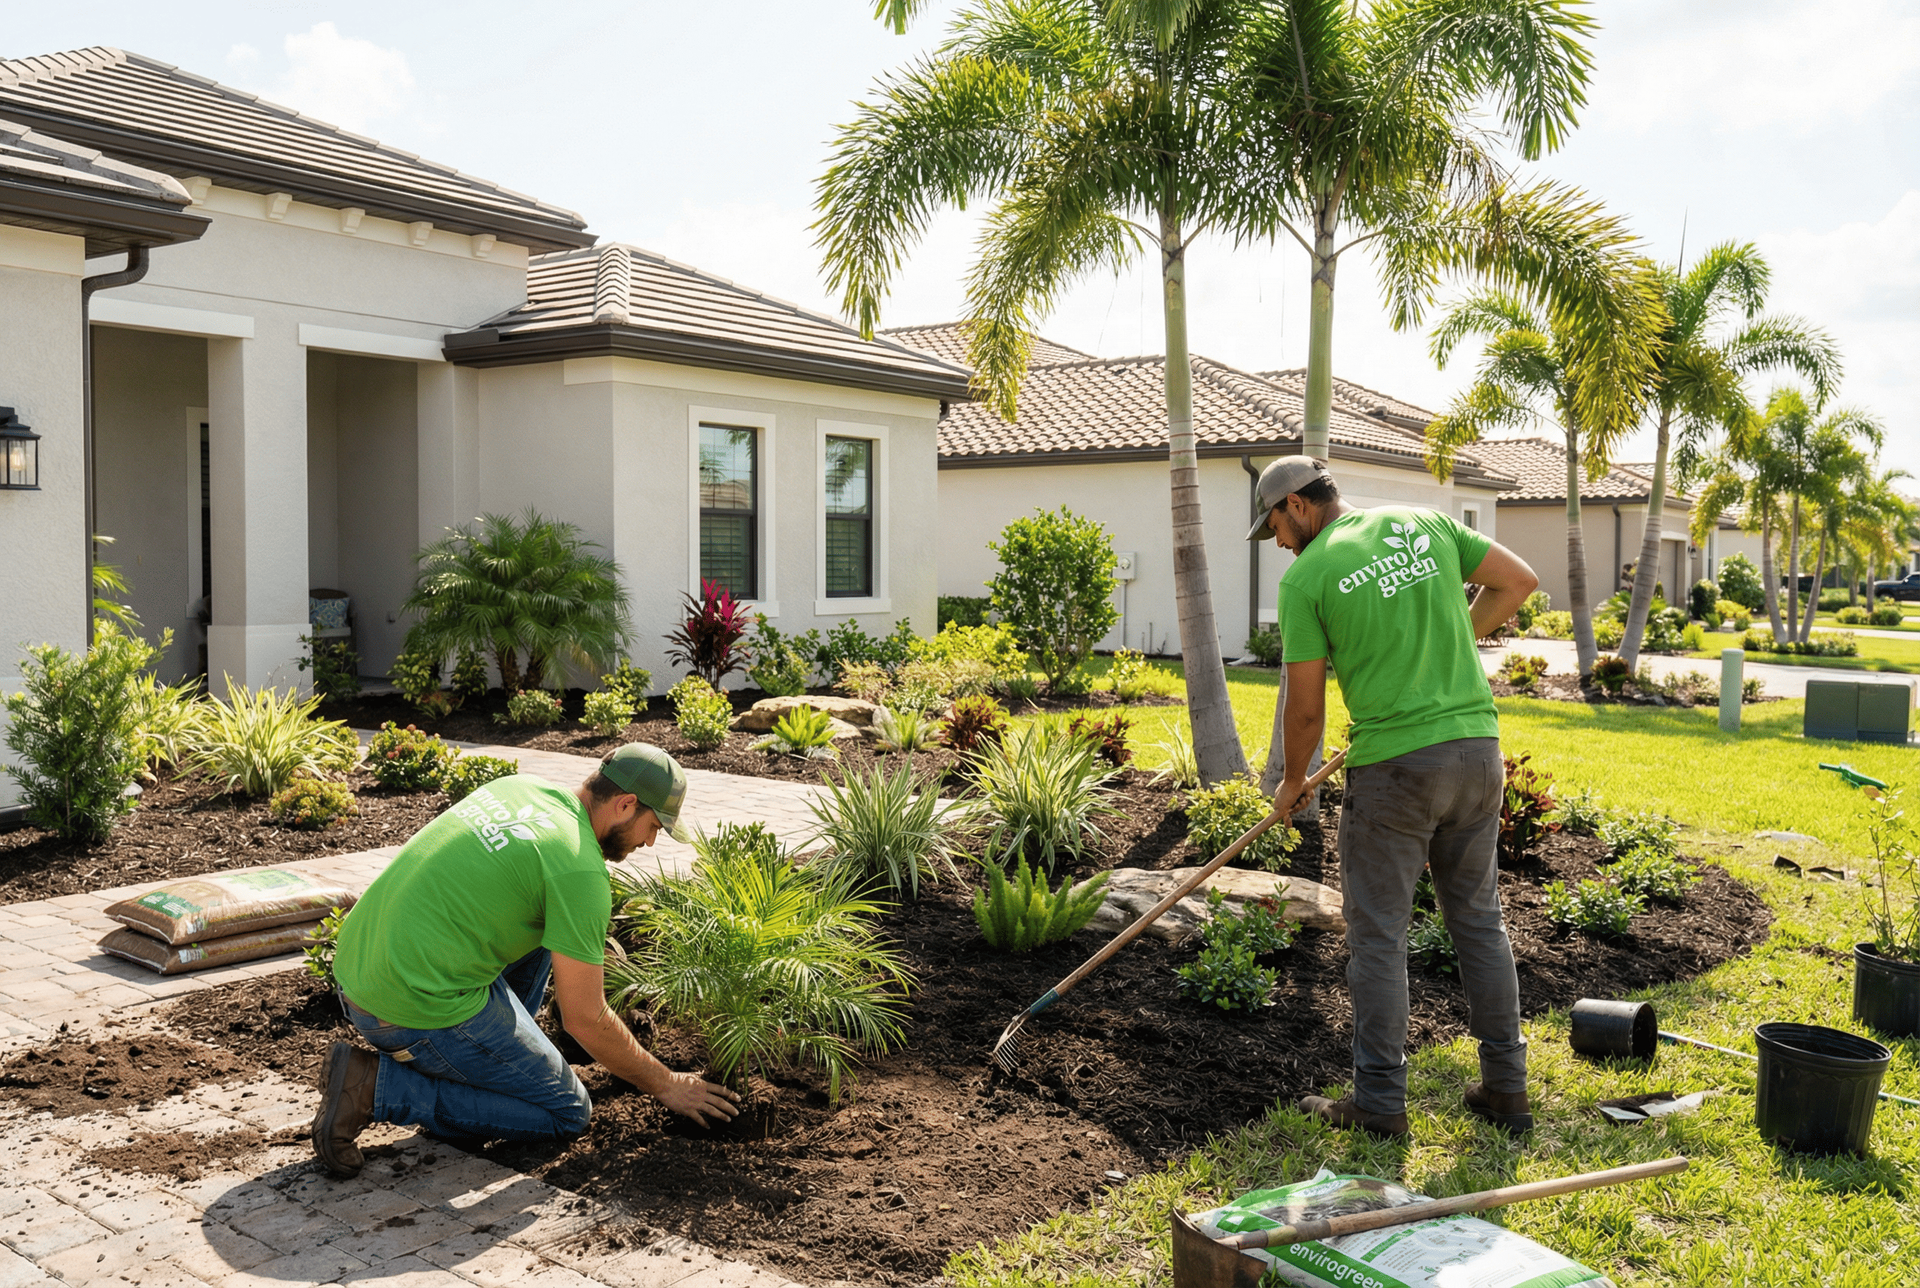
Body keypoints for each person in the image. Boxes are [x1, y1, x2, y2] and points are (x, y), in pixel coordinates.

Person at [1249, 457, 1540, 1140]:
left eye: (1276, 529)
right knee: (1478, 920)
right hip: (1476, 751)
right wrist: (1450, 647)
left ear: (1297, 505)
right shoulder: (1426, 523)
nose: (1280, 544)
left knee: (1378, 936)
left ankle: (1379, 1102)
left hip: (1396, 773)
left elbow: (1305, 710)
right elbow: (1518, 582)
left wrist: (1292, 782)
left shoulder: (1308, 578)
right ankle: (1507, 1089)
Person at [311, 743, 740, 1176]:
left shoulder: (522, 789)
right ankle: (376, 1089)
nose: (650, 841)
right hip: (407, 1009)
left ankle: (482, 1073)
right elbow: (584, 1019)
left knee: (542, 925)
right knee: (566, 1112)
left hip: (358, 971)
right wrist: (666, 1084)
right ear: (626, 805)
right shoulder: (579, 872)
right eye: (653, 826)